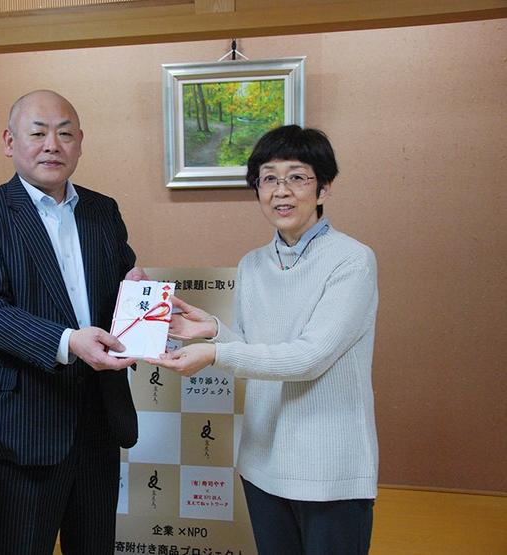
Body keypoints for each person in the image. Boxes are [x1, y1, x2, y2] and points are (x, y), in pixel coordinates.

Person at [149, 125, 378, 555]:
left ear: (324, 187)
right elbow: (256, 348)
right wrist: (214, 330)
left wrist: (214, 353)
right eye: (269, 178)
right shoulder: (252, 264)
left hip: (329, 467)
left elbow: (308, 358)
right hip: (262, 461)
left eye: (297, 177)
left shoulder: (352, 260)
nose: (281, 191)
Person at [0, 90, 145, 555]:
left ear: (80, 142)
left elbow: (121, 286)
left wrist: (137, 296)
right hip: (23, 423)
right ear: (9, 142)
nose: (52, 145)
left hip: (99, 418)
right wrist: (69, 341)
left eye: (64, 134)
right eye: (38, 133)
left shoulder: (103, 210)